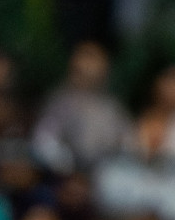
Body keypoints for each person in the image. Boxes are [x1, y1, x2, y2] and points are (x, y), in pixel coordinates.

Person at [32, 42, 132, 176]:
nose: (87, 66)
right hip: (64, 177)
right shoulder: (60, 101)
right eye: (84, 57)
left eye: (93, 59)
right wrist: (69, 167)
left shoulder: (111, 107)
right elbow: (44, 141)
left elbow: (127, 144)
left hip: (103, 175)